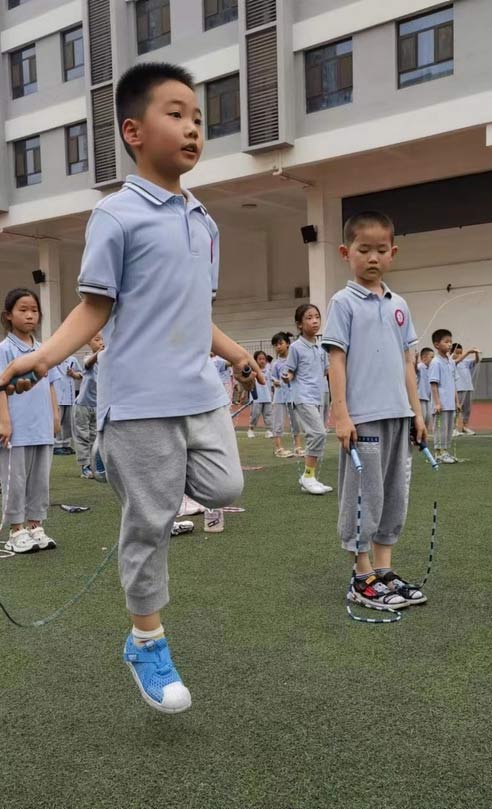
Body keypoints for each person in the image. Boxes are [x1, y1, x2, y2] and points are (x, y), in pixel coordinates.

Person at [0, 62, 263, 714]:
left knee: (225, 486)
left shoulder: (204, 222)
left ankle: (138, 477)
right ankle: (146, 640)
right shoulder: (115, 216)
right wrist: (37, 359)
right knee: (147, 522)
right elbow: (94, 307)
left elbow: (193, 312)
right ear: (133, 130)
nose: (193, 127)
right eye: (176, 113)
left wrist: (236, 355)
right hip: (138, 399)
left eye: (198, 117)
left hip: (199, 390)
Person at [322, 210, 427, 610]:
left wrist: (417, 413)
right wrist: (342, 414)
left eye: (381, 250)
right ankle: (361, 575)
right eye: (364, 250)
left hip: (399, 416)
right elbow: (336, 360)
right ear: (346, 252)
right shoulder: (343, 302)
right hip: (363, 418)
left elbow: (406, 362)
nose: (373, 258)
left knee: (394, 494)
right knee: (364, 495)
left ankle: (384, 571)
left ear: (393, 253)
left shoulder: (399, 304)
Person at [0, 289, 60, 554]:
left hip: (41, 427)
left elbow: (51, 385)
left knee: (40, 480)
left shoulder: (43, 350)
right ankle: (16, 529)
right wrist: (4, 421)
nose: (29, 315)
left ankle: (35, 525)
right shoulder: (4, 349)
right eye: (23, 310)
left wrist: (55, 417)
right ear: (8, 316)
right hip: (17, 429)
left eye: (34, 310)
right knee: (16, 480)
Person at [284, 304, 332, 495]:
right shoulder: (295, 347)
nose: (314, 321)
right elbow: (290, 370)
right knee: (318, 433)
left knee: (320, 434)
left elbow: (328, 371)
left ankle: (310, 476)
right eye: (309, 318)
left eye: (317, 317)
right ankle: (308, 476)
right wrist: (287, 376)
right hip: (302, 396)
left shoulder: (321, 348)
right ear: (299, 324)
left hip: (319, 396)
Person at [73, 333, 104, 480]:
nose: (100, 342)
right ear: (88, 343)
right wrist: (99, 353)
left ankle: (94, 466)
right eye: (97, 340)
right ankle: (84, 466)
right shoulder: (88, 358)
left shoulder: (106, 363)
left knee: (95, 437)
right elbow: (88, 363)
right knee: (83, 436)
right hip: (83, 405)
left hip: (98, 406)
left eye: (103, 340)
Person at [429, 329, 459, 464]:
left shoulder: (450, 362)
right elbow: (434, 384)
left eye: (451, 342)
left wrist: (457, 402)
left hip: (450, 404)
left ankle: (445, 451)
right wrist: (436, 403)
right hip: (441, 403)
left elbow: (453, 383)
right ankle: (439, 453)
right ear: (436, 344)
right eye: (446, 342)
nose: (450, 344)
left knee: (448, 429)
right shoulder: (436, 362)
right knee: (440, 429)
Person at [269, 331, 300, 458]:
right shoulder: (275, 363)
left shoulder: (294, 360)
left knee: (295, 422)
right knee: (278, 422)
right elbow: (272, 378)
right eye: (275, 345)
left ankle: (298, 447)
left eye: (280, 343)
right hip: (280, 397)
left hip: (293, 396)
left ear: (288, 344)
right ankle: (279, 448)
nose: (278, 347)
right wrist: (275, 382)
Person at [53, 354, 82, 455]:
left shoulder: (72, 359)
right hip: (56, 395)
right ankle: (56, 445)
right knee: (57, 421)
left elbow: (81, 374)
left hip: (69, 396)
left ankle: (66, 444)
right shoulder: (53, 358)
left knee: (68, 422)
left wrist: (73, 374)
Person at [452, 343, 480, 435]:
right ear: (452, 353)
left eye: (461, 353)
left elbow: (476, 361)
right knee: (457, 408)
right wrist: (468, 352)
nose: (459, 355)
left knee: (467, 409)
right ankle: (454, 428)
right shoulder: (451, 361)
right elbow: (458, 360)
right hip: (458, 388)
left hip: (468, 387)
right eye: (457, 353)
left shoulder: (466, 361)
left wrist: (476, 353)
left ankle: (464, 427)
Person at [247, 350, 273, 438]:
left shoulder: (269, 371)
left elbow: (272, 383)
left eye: (264, 359)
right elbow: (248, 383)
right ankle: (251, 429)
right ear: (255, 360)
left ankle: (269, 430)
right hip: (256, 398)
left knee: (268, 414)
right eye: (260, 359)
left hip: (267, 397)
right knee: (255, 414)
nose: (262, 361)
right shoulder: (252, 372)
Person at [416, 347, 434, 434]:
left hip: (428, 398)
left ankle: (424, 435)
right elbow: (415, 368)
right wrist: (416, 359)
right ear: (424, 357)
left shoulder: (430, 369)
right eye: (432, 357)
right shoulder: (420, 366)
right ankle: (417, 436)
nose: (433, 360)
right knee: (422, 418)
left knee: (428, 418)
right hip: (420, 397)